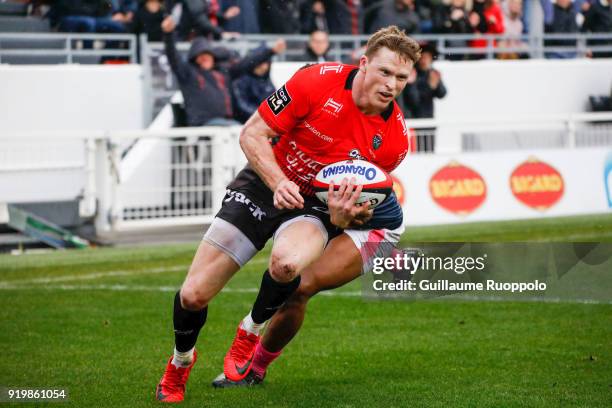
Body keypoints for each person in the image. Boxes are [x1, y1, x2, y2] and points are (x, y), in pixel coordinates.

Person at [155, 25, 421, 401]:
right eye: (385, 72)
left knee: (290, 272)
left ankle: (251, 334)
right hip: (265, 184)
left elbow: (357, 210)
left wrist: (343, 218)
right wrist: (279, 182)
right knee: (193, 295)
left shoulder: (393, 140)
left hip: (318, 205)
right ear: (363, 64)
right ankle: (180, 362)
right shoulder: (314, 81)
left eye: (401, 78)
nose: (392, 84)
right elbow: (251, 134)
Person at [161, 14, 285, 126]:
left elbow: (246, 63)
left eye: (207, 55)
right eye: (200, 56)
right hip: (205, 124)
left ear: (213, 57)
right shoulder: (188, 73)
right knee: (237, 131)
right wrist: (168, 34)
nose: (204, 58)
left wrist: (270, 51)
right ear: (194, 59)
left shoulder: (223, 72)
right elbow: (173, 57)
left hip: (225, 123)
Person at [399, 41, 446, 152]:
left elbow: (442, 94)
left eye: (427, 57)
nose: (424, 60)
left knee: (429, 151)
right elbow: (414, 101)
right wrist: (429, 87)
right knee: (415, 153)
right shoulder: (412, 74)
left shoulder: (433, 73)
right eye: (422, 57)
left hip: (428, 121)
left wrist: (436, 85)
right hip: (414, 122)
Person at [231, 47, 276, 123]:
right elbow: (242, 105)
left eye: (266, 63)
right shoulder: (241, 80)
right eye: (261, 64)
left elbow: (275, 100)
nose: (264, 67)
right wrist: (261, 115)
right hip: (247, 122)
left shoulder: (266, 80)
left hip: (265, 120)